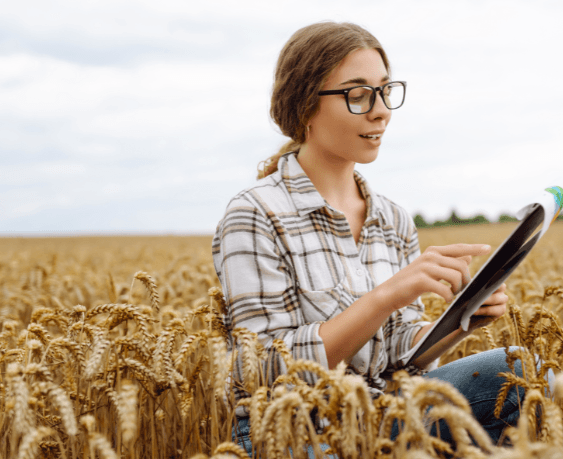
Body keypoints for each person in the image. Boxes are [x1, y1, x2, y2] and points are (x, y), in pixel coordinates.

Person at [212, 21, 539, 457]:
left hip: (386, 411)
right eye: (358, 94)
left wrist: (460, 321)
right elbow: (264, 372)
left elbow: (405, 361)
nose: (381, 110)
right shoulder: (254, 214)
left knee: (519, 369)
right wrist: (384, 297)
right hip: (295, 429)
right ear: (306, 103)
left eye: (386, 91)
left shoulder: (393, 218)